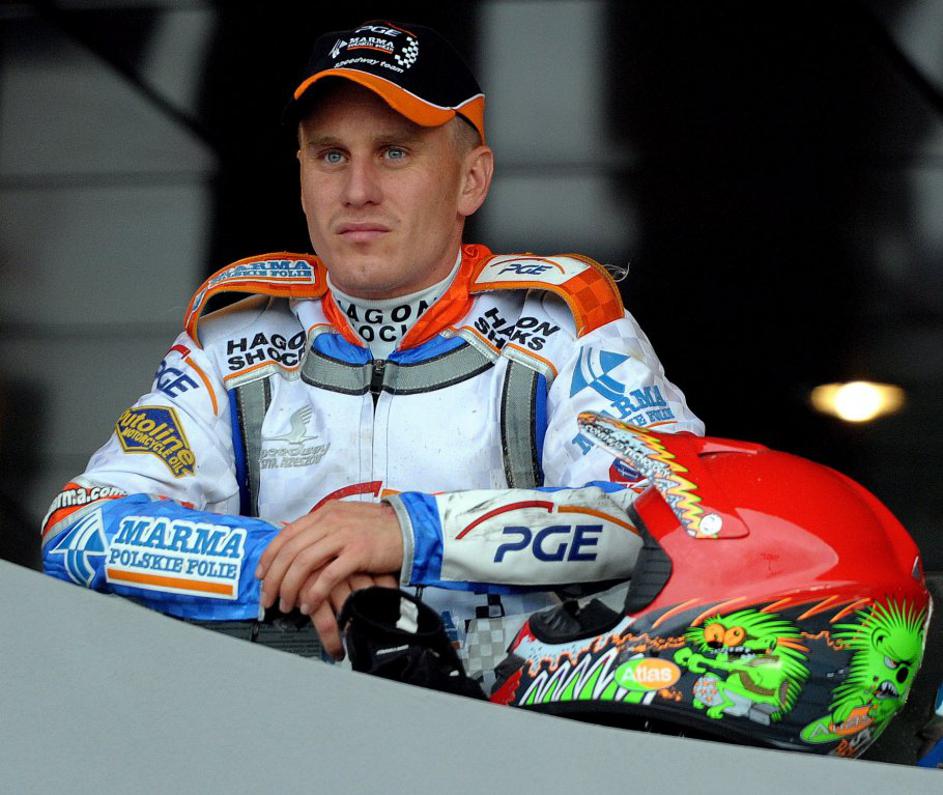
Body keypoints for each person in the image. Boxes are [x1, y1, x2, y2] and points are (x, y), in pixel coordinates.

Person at [41, 20, 703, 672]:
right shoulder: (232, 343)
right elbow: (79, 525)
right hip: (286, 724)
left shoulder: (564, 329)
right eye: (331, 155)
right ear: (302, 177)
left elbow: (671, 515)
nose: (357, 191)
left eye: (394, 152)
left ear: (471, 180)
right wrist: (291, 565)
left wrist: (409, 532)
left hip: (512, 725)